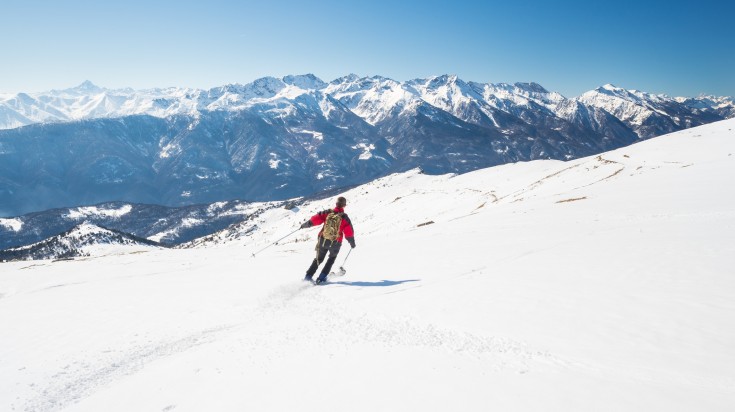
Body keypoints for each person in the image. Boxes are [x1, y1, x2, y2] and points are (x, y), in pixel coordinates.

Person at [299, 196, 356, 284]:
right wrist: (352, 243)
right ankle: (321, 278)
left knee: (318, 259)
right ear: (344, 205)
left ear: (336, 204)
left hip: (323, 239)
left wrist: (305, 225)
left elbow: (315, 220)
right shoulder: (345, 218)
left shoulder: (328, 212)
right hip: (336, 243)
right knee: (331, 259)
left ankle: (308, 277)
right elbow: (349, 233)